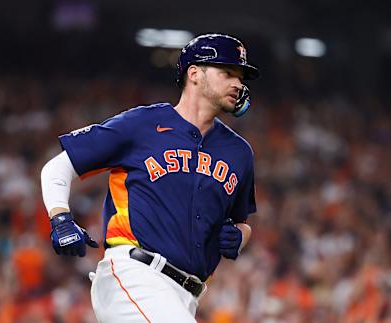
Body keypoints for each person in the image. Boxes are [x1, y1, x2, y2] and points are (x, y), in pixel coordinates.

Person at [41, 33, 259, 322]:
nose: (237, 83)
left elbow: (241, 222)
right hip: (135, 275)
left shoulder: (239, 152)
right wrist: (60, 218)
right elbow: (57, 168)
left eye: (240, 76)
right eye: (227, 72)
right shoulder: (143, 124)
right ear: (194, 73)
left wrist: (240, 237)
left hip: (186, 295)